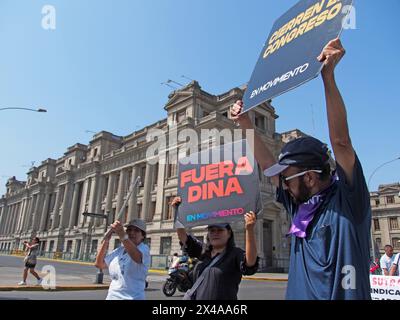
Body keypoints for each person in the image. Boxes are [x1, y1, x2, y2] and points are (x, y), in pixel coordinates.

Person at [231, 38, 371, 300]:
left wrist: (327, 77)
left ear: (308, 177)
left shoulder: (349, 201)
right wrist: (244, 122)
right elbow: (267, 165)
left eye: (286, 177)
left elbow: (341, 143)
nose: (281, 183)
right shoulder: (299, 205)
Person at [171, 197, 258, 300]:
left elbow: (250, 262)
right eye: (212, 231)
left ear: (229, 233)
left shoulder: (234, 254)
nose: (215, 233)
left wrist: (249, 229)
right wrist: (177, 211)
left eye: (220, 230)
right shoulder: (203, 251)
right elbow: (184, 238)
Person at [95, 219, 150, 300]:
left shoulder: (144, 249)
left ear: (143, 236)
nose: (131, 232)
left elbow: (137, 258)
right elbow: (99, 264)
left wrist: (122, 235)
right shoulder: (119, 250)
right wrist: (106, 241)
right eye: (129, 230)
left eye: (136, 230)